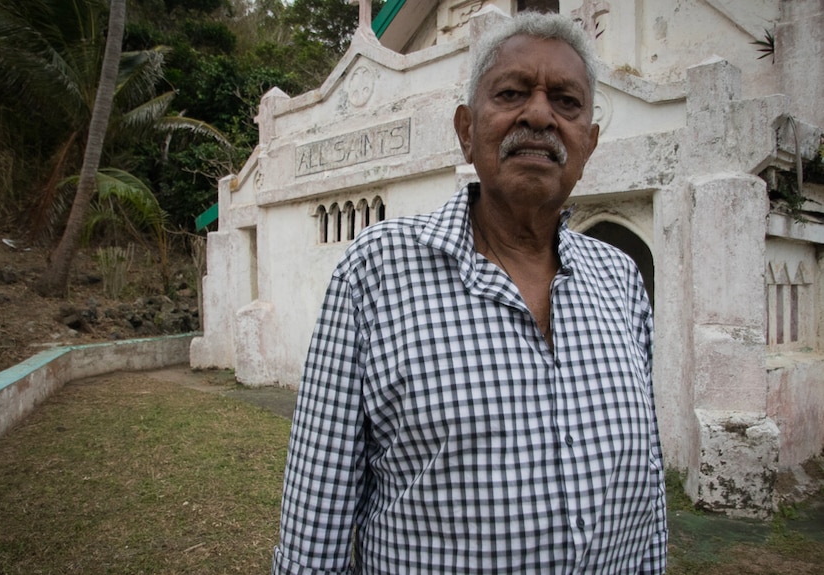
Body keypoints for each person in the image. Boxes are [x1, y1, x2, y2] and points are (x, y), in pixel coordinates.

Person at [273, 11, 667, 575]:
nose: (539, 114)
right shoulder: (375, 273)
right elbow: (316, 521)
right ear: (465, 131)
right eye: (511, 93)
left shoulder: (620, 281)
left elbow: (647, 491)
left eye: (567, 102)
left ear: (589, 144)